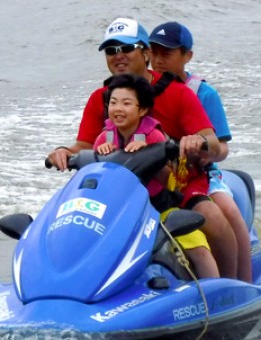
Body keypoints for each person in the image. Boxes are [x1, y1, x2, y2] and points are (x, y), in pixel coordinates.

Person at [47, 17, 238, 279]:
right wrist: (63, 152)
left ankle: (236, 288)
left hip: (175, 185)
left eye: (127, 48)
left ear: (146, 52)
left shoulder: (177, 92)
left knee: (211, 216)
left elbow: (213, 141)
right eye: (111, 51)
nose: (119, 56)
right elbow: (84, 144)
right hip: (120, 191)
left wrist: (198, 142)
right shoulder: (101, 98)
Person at [149, 21, 253, 283]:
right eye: (154, 52)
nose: (158, 60)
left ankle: (244, 281)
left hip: (203, 173)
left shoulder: (203, 94)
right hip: (161, 174)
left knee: (229, 213)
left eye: (167, 54)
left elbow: (222, 148)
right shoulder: (141, 91)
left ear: (187, 56)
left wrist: (205, 150)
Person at [93, 73, 218, 278]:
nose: (118, 109)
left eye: (126, 103)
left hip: (157, 208)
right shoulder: (103, 138)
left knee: (198, 248)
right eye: (113, 102)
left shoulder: (154, 136)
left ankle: (214, 294)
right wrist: (100, 155)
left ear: (142, 109)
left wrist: (151, 154)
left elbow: (173, 182)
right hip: (118, 213)